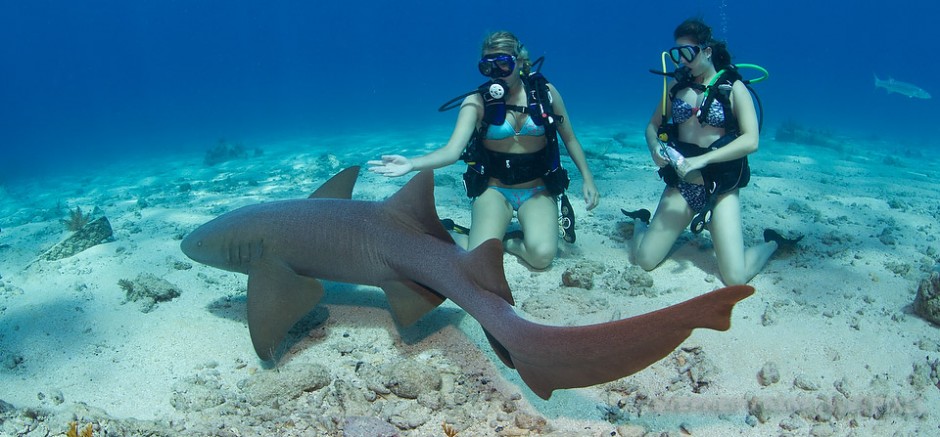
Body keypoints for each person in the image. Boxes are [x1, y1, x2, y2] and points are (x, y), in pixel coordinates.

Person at [369, 31, 599, 270]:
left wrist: (588, 179)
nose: (497, 73)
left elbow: (570, 138)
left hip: (537, 189)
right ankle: (457, 233)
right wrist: (411, 164)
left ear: (520, 61)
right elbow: (451, 151)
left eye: (504, 64)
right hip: (494, 189)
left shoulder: (545, 94)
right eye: (488, 67)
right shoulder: (476, 101)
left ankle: (507, 241)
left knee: (542, 256)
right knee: (476, 257)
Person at [622, 18, 799, 285]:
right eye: (676, 53)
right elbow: (652, 126)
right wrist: (654, 147)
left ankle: (772, 243)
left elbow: (751, 141)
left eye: (687, 52)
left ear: (707, 51)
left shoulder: (734, 89)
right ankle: (640, 224)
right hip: (683, 184)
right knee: (644, 260)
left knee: (735, 278)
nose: (681, 60)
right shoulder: (676, 88)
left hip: (720, 188)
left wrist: (701, 160)